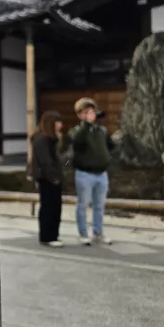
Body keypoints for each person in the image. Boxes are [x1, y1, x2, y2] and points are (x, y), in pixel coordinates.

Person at [64, 97, 115, 246]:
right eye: (87, 112)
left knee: (99, 206)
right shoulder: (76, 131)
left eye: (92, 111)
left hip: (102, 173)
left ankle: (98, 233)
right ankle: (83, 234)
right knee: (83, 204)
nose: (92, 114)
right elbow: (77, 141)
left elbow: (110, 145)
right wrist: (86, 125)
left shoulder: (102, 130)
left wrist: (106, 156)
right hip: (84, 174)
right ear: (80, 115)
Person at [32, 111, 64, 247]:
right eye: (58, 122)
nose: (61, 125)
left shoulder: (52, 139)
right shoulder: (42, 139)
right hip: (47, 178)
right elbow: (45, 161)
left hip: (54, 177)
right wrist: (54, 177)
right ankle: (47, 236)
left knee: (55, 207)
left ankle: (54, 235)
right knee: (48, 207)